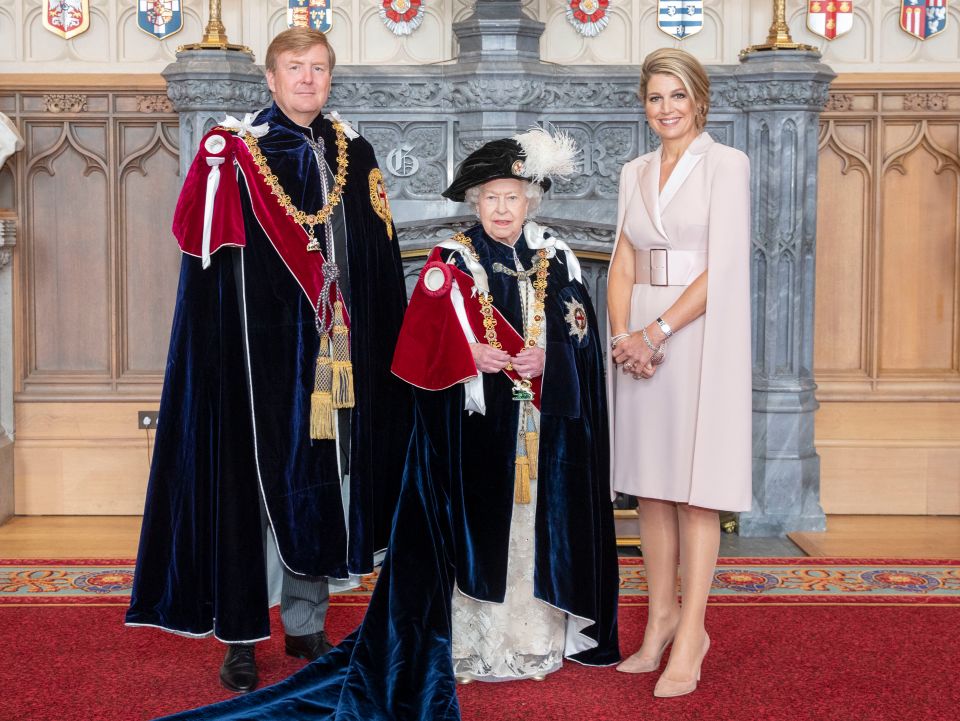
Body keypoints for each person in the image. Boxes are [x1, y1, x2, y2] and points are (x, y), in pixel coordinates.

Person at [152, 128, 619, 721]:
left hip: (538, 433)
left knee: (532, 533)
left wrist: (551, 359)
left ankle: (534, 636)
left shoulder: (560, 259)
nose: (503, 209)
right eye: (492, 197)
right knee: (475, 533)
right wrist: (466, 355)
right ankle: (474, 641)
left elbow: (581, 337)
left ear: (533, 200)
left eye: (515, 197)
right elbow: (415, 353)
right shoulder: (450, 263)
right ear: (475, 202)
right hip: (470, 437)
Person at [125, 27, 411, 694]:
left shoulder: (353, 151)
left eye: (318, 68)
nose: (307, 79)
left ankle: (307, 623)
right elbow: (207, 260)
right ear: (272, 79)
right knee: (251, 492)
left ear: (329, 78)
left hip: (332, 355)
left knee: (319, 485)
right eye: (294, 67)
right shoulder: (238, 152)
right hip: (258, 358)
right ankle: (242, 636)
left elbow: (377, 259)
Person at [606, 47, 751, 698]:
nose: (665, 108)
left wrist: (657, 332)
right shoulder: (632, 170)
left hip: (695, 332)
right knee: (651, 486)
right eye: (655, 97)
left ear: (700, 100)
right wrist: (622, 335)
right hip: (637, 332)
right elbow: (621, 261)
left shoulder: (727, 165)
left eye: (677, 95)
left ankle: (692, 629)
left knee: (696, 487)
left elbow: (722, 268)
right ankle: (660, 614)